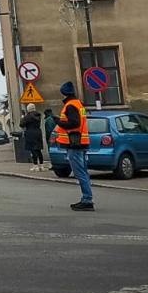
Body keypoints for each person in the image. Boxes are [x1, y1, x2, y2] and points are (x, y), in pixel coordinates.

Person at [56, 81, 93, 211]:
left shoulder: (70, 106)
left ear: (64, 93)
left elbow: (74, 123)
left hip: (74, 143)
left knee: (80, 173)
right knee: (83, 172)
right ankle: (87, 198)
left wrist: (59, 122)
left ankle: (87, 200)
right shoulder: (78, 103)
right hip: (80, 142)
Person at [20, 104, 44, 170]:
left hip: (30, 133)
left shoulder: (27, 116)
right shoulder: (38, 115)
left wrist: (22, 117)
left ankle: (35, 165)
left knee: (33, 150)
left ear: (28, 109)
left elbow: (21, 124)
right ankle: (41, 165)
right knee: (38, 149)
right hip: (38, 132)